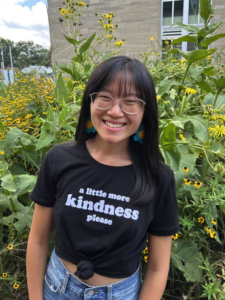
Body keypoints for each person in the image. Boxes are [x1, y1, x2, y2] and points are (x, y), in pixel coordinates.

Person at [26, 55, 179, 300]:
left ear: (145, 111)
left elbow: (159, 267)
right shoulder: (58, 160)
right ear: (90, 102)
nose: (115, 111)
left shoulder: (158, 178)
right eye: (105, 97)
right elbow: (38, 239)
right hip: (57, 287)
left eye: (130, 101)